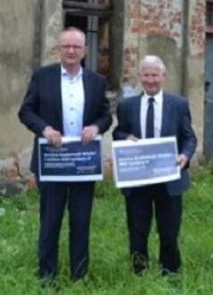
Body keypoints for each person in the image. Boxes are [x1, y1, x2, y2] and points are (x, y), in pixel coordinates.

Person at [18, 27, 112, 283]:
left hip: (83, 164)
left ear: (84, 51)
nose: (71, 51)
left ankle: (78, 276)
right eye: (66, 46)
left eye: (76, 47)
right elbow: (26, 112)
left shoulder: (96, 81)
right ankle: (47, 276)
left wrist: (96, 127)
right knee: (50, 221)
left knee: (81, 222)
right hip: (52, 162)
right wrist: (44, 129)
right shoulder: (42, 77)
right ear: (58, 49)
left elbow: (106, 116)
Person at [113, 55, 197, 276]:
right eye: (146, 75)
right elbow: (118, 132)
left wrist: (185, 156)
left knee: (169, 231)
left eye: (155, 75)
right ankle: (139, 272)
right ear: (140, 76)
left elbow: (189, 138)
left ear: (163, 76)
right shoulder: (126, 106)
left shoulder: (178, 104)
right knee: (137, 231)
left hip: (169, 178)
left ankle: (170, 274)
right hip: (138, 180)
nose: (150, 80)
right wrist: (125, 137)